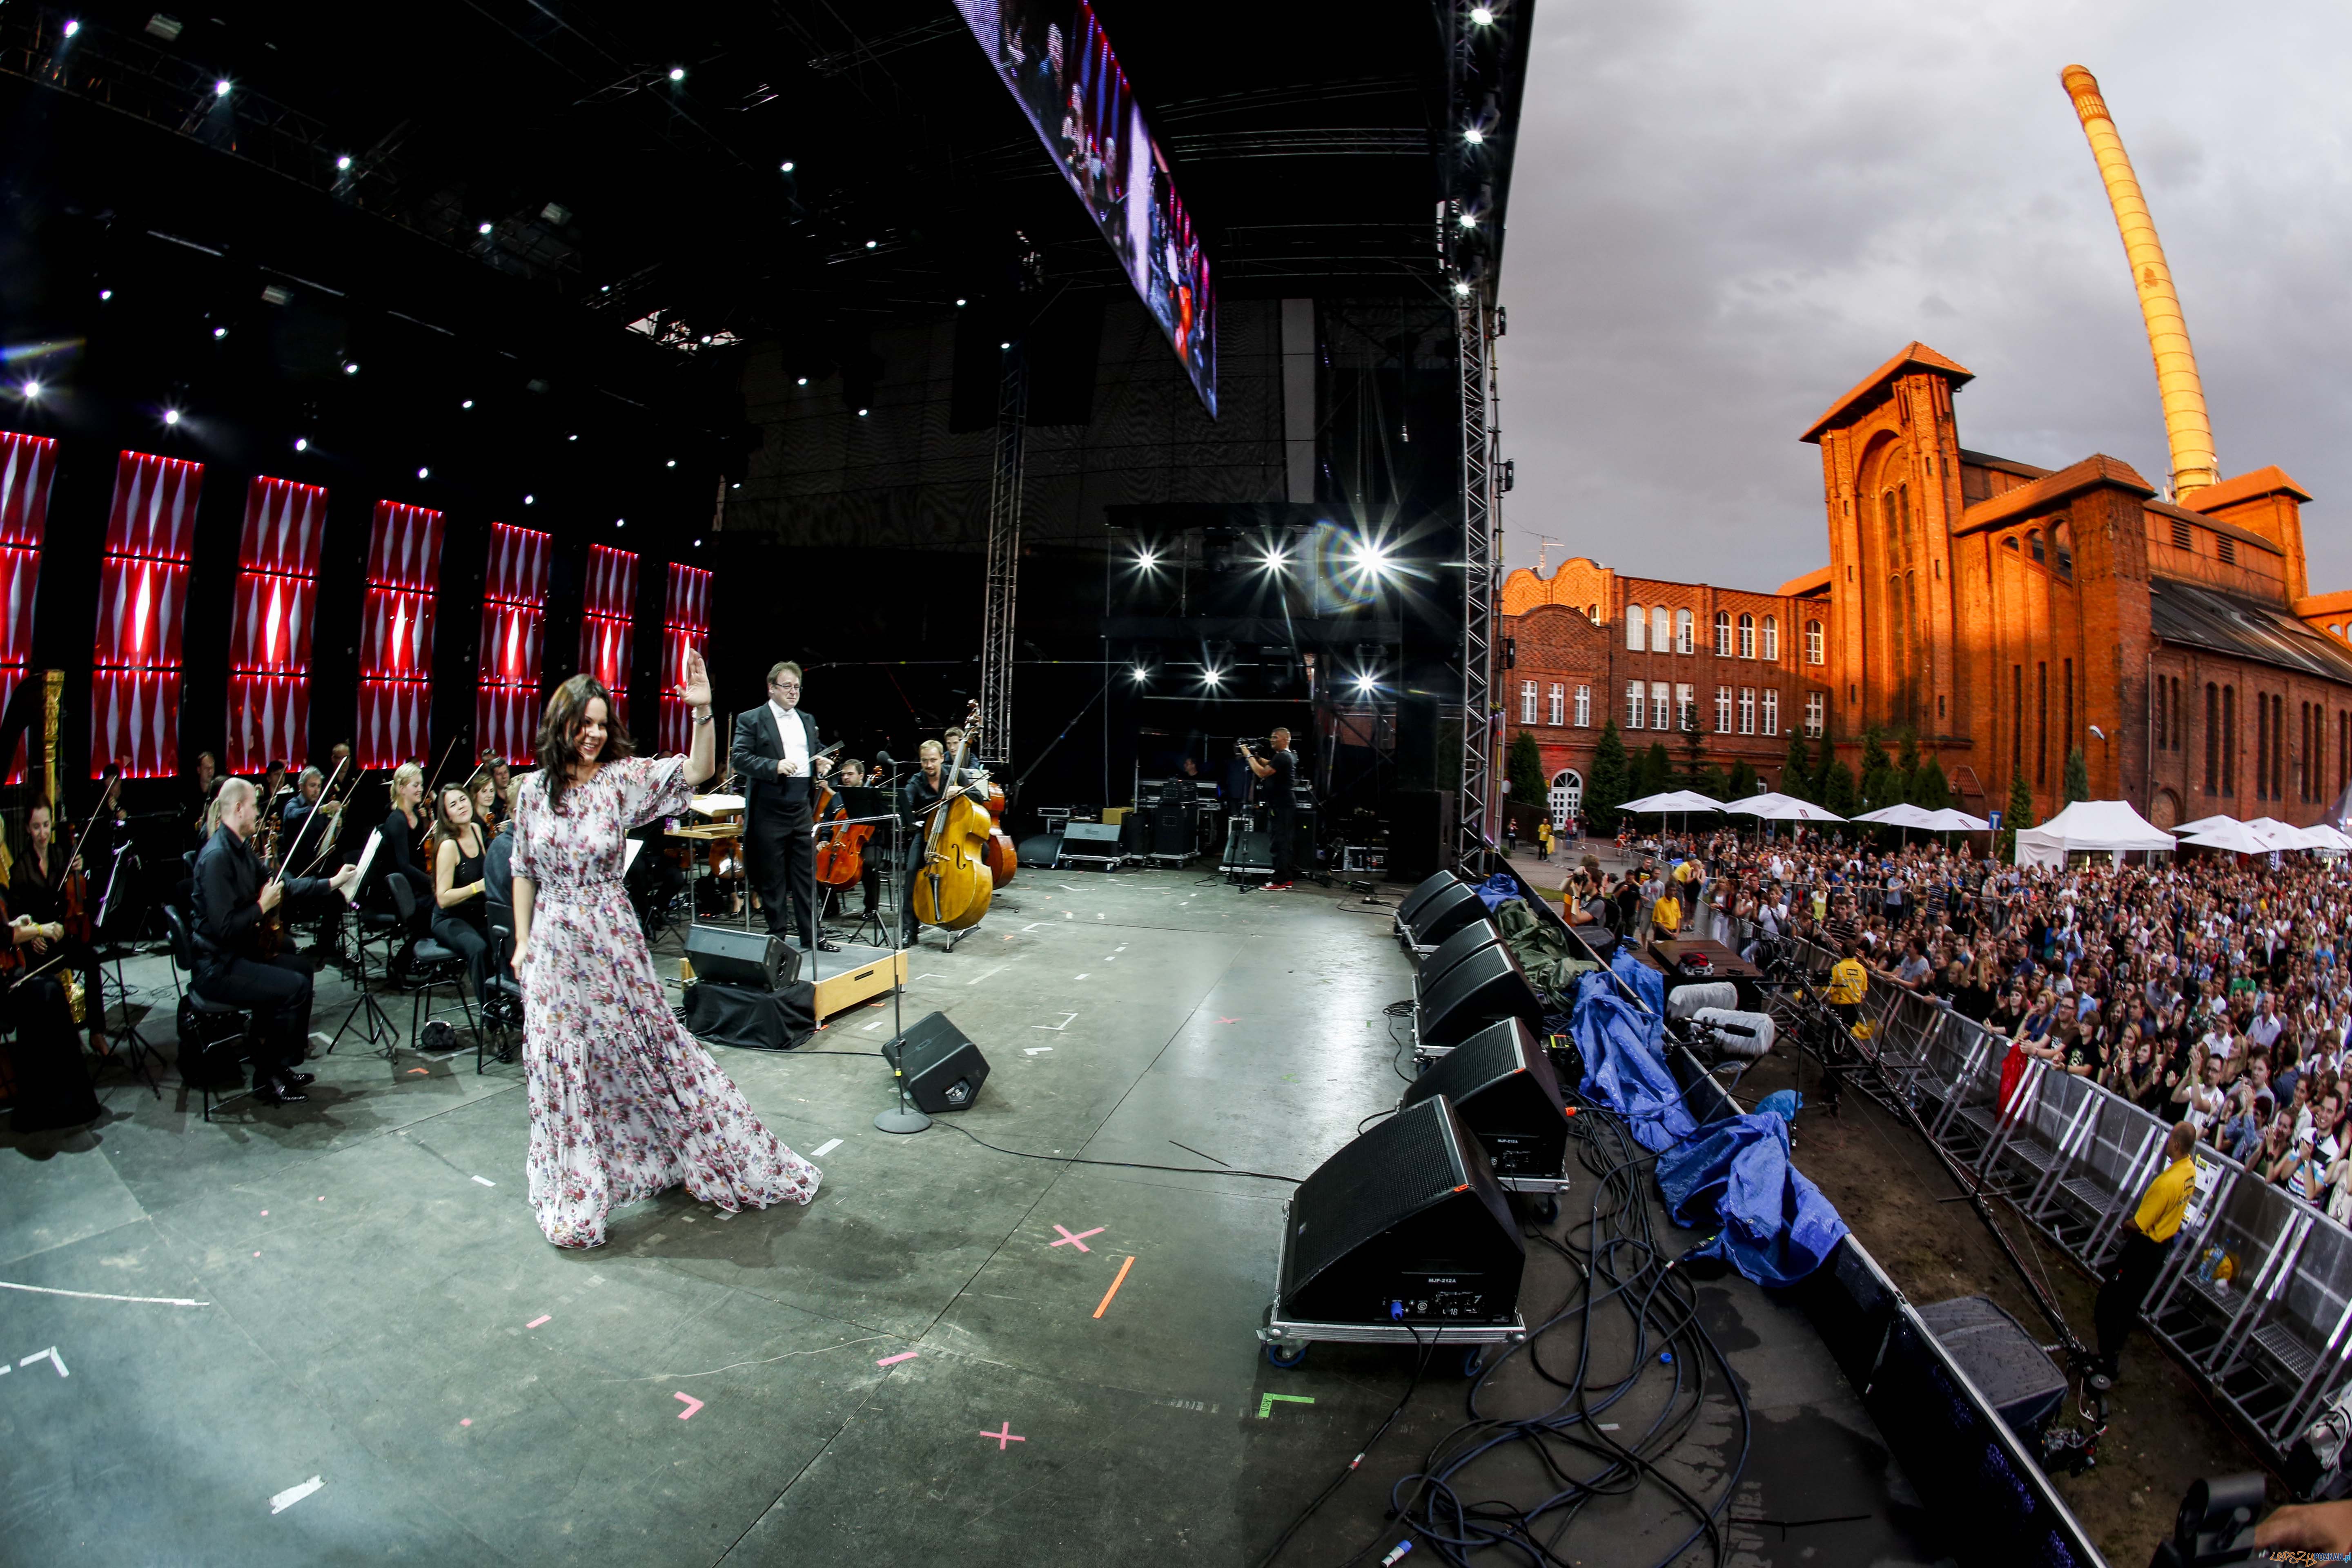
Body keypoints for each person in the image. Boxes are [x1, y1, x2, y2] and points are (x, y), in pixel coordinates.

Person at [509, 659, 821, 1248]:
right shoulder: (530, 791)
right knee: (562, 1063)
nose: (594, 734)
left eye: (602, 724)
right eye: (584, 724)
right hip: (553, 944)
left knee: (645, 1050)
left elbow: (700, 769)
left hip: (610, 942)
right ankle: (577, 1188)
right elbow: (523, 868)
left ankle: (681, 1153)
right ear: (562, 725)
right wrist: (524, 940)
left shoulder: (618, 781)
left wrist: (702, 709)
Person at [192, 778, 361, 1105]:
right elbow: (224, 929)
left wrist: (332, 882)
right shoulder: (216, 858)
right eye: (254, 806)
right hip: (217, 966)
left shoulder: (240, 849)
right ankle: (268, 1075)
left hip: (238, 954)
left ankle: (281, 1065)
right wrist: (261, 907)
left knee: (302, 970)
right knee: (292, 987)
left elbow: (284, 885)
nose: (259, 812)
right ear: (238, 809)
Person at [730, 660, 835, 953]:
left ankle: (812, 935)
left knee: (805, 874)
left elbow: (811, 754)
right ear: (771, 688)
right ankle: (777, 935)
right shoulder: (751, 719)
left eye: (797, 687)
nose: (793, 692)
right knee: (773, 877)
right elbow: (739, 758)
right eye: (787, 686)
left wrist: (820, 763)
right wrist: (774, 766)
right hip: (769, 806)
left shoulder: (807, 719)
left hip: (800, 804)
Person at [2093, 1118, 2198, 1381]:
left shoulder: (2166, 1184)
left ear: (2176, 1144)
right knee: (2129, 1305)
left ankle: (2109, 1358)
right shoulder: (2190, 1172)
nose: (2166, 1141)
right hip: (2159, 1250)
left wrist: (2124, 1227)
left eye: (2169, 1138)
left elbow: (2139, 1224)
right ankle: (2112, 1353)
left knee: (2109, 1300)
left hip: (2143, 1249)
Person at [10, 799, 107, 1059]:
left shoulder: (60, 854)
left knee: (91, 957)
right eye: (36, 827)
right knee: (47, 980)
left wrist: (79, 866)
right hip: (38, 943)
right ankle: (63, 1040)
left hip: (62, 934)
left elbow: (73, 894)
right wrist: (33, 937)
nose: (42, 833)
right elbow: (17, 916)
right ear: (27, 830)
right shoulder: (20, 868)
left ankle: (96, 1032)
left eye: (45, 826)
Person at [0, 887, 102, 1134]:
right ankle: (45, 1104)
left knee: (54, 986)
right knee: (47, 993)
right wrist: (39, 930)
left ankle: (65, 1100)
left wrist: (16, 923)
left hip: (10, 975)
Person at [430, 784, 493, 1001]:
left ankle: (508, 1002)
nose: (461, 807)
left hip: (476, 915)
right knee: (478, 948)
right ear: (447, 814)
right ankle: (489, 1012)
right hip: (450, 919)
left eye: (463, 800)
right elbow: (443, 897)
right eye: (453, 805)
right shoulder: (449, 846)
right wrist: (478, 887)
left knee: (504, 938)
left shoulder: (477, 829)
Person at [899, 740, 964, 944]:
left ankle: (961, 907)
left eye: (933, 760)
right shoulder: (916, 782)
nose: (929, 765)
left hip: (955, 833)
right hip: (927, 834)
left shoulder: (955, 774)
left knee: (985, 852)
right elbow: (906, 804)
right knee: (911, 873)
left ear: (942, 759)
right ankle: (910, 930)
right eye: (925, 761)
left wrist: (962, 791)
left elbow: (979, 798)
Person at [1245, 728, 1298, 890]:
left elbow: (1262, 773)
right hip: (1285, 805)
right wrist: (1257, 758)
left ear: (1285, 740)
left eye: (1275, 737)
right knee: (1285, 843)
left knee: (1279, 843)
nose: (1272, 740)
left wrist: (1248, 755)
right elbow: (1269, 764)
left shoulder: (1282, 756)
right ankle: (1286, 878)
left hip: (1281, 806)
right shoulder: (1288, 756)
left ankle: (1278, 881)